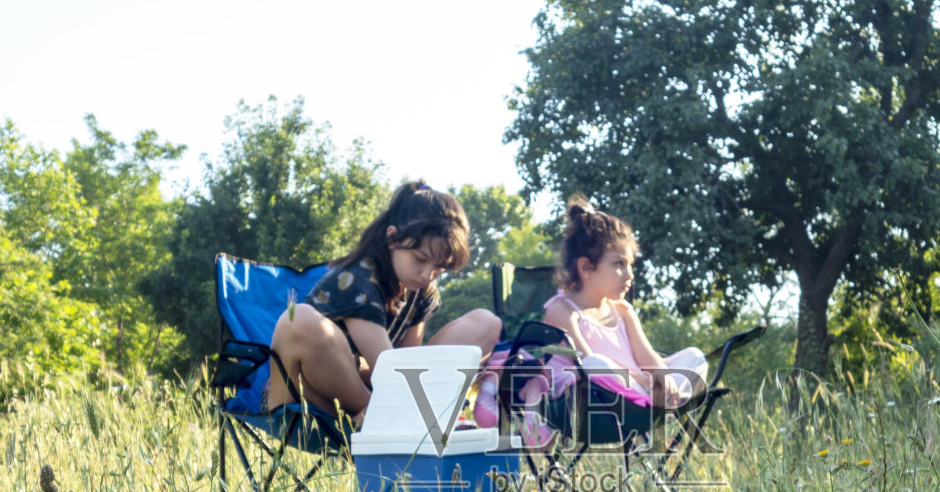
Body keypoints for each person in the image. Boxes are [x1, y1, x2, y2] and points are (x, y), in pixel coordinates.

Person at [263, 181, 502, 425]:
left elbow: (408, 361)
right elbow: (387, 369)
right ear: (392, 239)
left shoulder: (420, 290)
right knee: (298, 318)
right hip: (304, 393)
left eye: (439, 267)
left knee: (486, 323)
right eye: (420, 259)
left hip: (373, 388)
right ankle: (388, 416)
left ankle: (401, 413)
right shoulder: (358, 279)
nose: (427, 274)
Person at [540, 196, 706, 407]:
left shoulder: (623, 311)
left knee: (695, 357)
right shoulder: (563, 311)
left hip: (640, 387)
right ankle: (651, 401)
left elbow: (648, 358)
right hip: (595, 399)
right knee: (595, 364)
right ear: (586, 268)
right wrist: (641, 381)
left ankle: (661, 399)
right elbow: (584, 363)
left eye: (630, 265)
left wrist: (662, 375)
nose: (629, 275)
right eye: (619, 264)